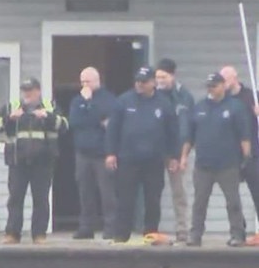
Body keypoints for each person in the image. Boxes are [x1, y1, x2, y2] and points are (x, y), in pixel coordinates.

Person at [104, 66, 181, 243]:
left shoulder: (164, 103)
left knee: (153, 198)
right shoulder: (123, 101)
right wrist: (110, 153)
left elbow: (173, 132)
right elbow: (112, 130)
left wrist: (174, 156)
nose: (140, 84)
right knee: (125, 198)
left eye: (144, 81)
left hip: (154, 160)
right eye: (138, 81)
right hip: (128, 159)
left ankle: (150, 233)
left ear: (153, 82)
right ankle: (121, 234)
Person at [0, 78, 66, 244]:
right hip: (17, 161)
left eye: (31, 90)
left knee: (41, 199)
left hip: (43, 161)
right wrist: (10, 118)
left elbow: (64, 126)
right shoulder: (12, 106)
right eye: (25, 90)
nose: (27, 94)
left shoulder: (49, 106)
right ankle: (12, 233)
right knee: (15, 198)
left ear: (38, 91)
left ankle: (39, 234)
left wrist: (48, 117)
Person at [182, 72, 251, 247]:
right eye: (209, 86)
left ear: (222, 86)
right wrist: (183, 157)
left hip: (228, 164)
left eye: (214, 86)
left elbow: (244, 135)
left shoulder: (235, 107)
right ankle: (195, 235)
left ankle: (237, 235)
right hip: (203, 164)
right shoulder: (199, 107)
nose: (211, 89)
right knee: (199, 202)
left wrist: (246, 158)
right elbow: (189, 136)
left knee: (233, 202)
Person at [68, 67, 119, 239]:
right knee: (84, 192)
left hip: (103, 153)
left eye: (88, 81)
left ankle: (111, 227)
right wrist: (89, 108)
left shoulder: (109, 99)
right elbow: (75, 121)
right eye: (82, 81)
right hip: (82, 153)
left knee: (107, 193)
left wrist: (89, 107)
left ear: (97, 80)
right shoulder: (77, 100)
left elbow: (111, 124)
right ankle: (86, 227)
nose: (84, 85)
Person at [155, 58, 195, 242]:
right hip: (156, 150)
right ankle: (151, 228)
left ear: (172, 75)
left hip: (179, 151)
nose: (160, 80)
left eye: (163, 76)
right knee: (153, 190)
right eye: (157, 77)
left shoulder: (184, 96)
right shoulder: (153, 95)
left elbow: (189, 126)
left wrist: (183, 154)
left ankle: (182, 229)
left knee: (179, 191)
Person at [222, 65, 259, 241]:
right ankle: (238, 231)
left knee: (257, 192)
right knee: (232, 197)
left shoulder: (251, 96)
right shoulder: (222, 100)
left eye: (225, 79)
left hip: (252, 153)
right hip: (230, 155)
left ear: (234, 78)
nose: (223, 84)